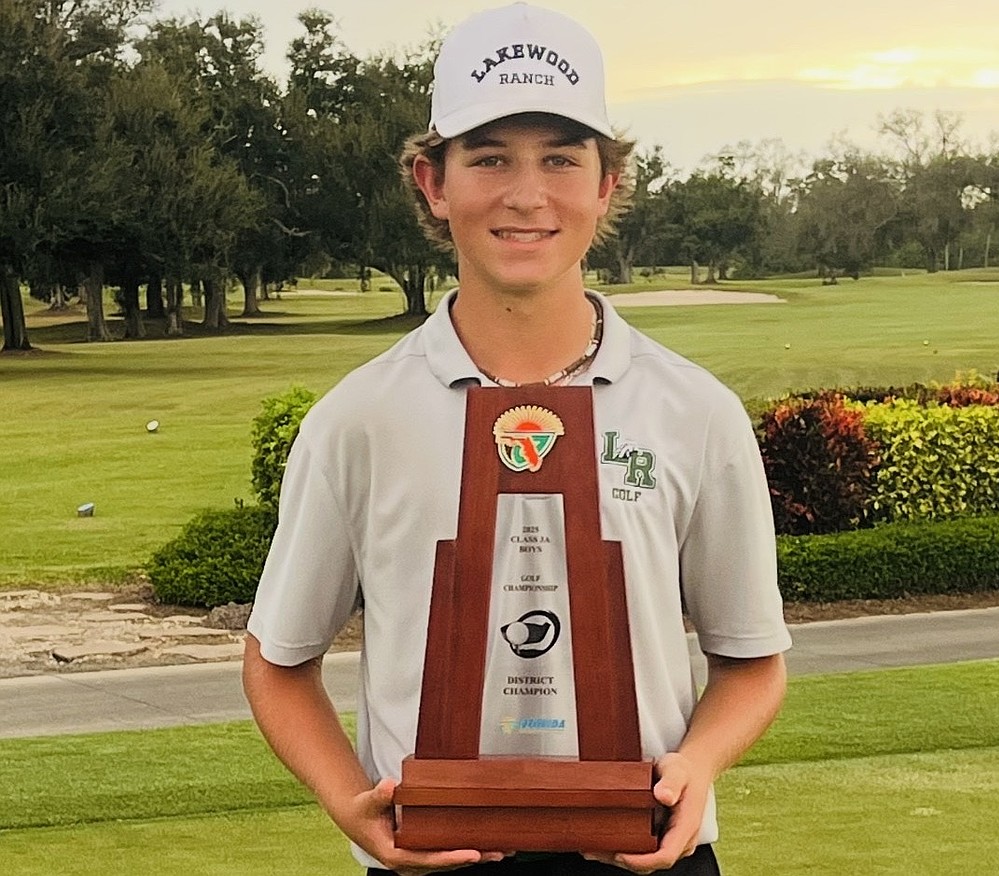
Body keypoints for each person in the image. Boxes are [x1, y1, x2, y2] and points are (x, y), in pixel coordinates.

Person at [243, 4, 791, 874]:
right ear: (433, 181)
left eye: (561, 159)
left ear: (607, 183)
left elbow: (752, 660)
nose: (527, 195)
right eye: (490, 157)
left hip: (642, 853)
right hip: (430, 856)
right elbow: (277, 659)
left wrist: (699, 764)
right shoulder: (359, 418)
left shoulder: (695, 411)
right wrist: (349, 799)